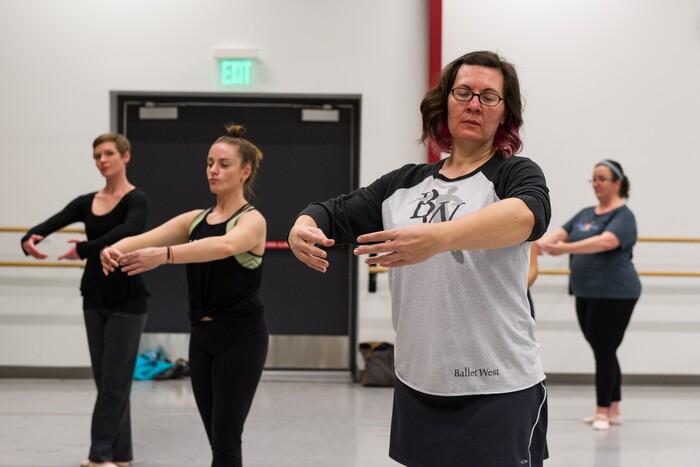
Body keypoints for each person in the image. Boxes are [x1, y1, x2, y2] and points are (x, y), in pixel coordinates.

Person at [288, 51, 551, 467]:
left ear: (505, 115)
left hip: (500, 386)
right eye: (463, 92)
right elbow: (334, 212)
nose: (474, 104)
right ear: (444, 102)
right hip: (420, 383)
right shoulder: (403, 185)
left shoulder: (514, 173)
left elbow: (527, 216)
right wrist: (302, 224)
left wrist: (438, 238)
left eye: (489, 97)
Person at [100, 123, 267, 467]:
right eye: (209, 163)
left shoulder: (252, 221)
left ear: (245, 171)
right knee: (215, 437)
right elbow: (148, 237)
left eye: (223, 164)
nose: (213, 170)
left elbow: (225, 246)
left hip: (241, 340)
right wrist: (112, 248)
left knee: (225, 438)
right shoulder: (196, 219)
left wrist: (166, 255)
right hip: (202, 340)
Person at [20, 133, 149, 467]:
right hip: (93, 295)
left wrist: (82, 249)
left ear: (125, 156)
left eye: (108, 153)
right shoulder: (86, 201)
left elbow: (127, 232)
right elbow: (48, 224)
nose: (101, 160)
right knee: (107, 382)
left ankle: (99, 456)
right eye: (96, 155)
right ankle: (121, 455)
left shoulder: (137, 200)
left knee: (114, 382)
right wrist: (29, 239)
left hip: (128, 299)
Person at [536, 159, 640, 431]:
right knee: (604, 348)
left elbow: (606, 241)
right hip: (585, 291)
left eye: (602, 178)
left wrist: (564, 250)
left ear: (617, 183)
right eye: (593, 179)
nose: (596, 184)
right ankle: (614, 407)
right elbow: (561, 233)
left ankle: (602, 411)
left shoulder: (623, 216)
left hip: (615, 294)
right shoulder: (586, 213)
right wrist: (537, 242)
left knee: (603, 350)